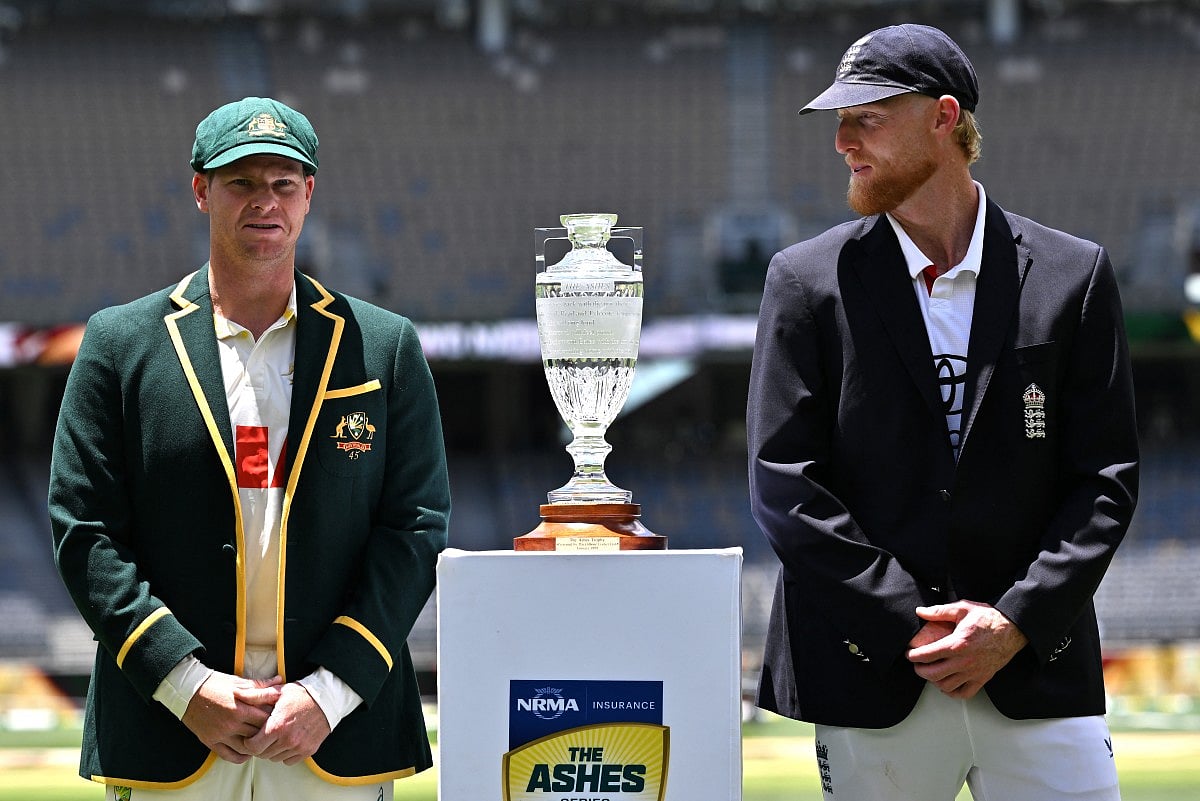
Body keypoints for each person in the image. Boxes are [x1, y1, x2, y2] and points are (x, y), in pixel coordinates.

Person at [746, 24, 1138, 800]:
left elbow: (1106, 480)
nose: (843, 140)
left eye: (867, 116)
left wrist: (1014, 621)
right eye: (838, 119)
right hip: (874, 676)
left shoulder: (1073, 275)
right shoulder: (803, 282)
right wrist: (910, 624)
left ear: (944, 116)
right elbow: (783, 484)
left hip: (1033, 670)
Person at [48, 96, 450, 800]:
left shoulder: (385, 346)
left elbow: (414, 530)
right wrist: (184, 683)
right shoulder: (118, 343)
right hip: (173, 729)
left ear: (309, 194)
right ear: (201, 189)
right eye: (241, 182)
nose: (265, 201)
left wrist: (329, 692)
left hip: (332, 733)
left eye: (283, 183)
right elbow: (85, 531)